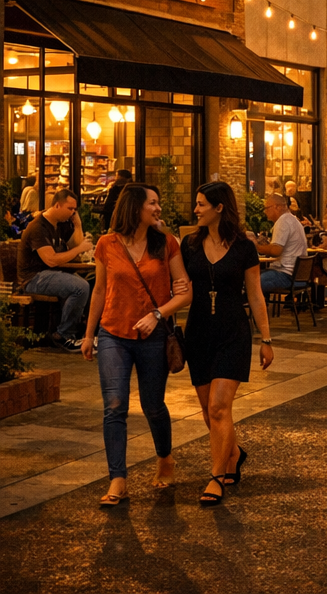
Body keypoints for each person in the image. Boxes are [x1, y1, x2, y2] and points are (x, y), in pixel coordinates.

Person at [81, 185, 191, 506]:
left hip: (154, 338)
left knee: (152, 405)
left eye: (158, 202)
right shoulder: (106, 244)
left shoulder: (166, 244)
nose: (158, 208)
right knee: (114, 406)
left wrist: (158, 314)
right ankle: (118, 478)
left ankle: (165, 458)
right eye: (152, 203)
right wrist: (90, 334)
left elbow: (184, 292)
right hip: (113, 334)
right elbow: (99, 291)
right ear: (135, 208)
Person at [181, 181, 274, 506]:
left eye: (201, 204)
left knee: (220, 407)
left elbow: (255, 294)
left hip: (233, 332)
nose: (196, 210)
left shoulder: (244, 247)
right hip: (198, 333)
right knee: (210, 413)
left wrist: (266, 338)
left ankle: (216, 477)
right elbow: (180, 288)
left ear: (219, 207)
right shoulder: (189, 244)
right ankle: (233, 454)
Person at [17, 189, 94, 351]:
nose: (72, 213)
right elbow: (50, 260)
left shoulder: (60, 225)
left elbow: (74, 245)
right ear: (57, 205)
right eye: (70, 209)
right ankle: (64, 335)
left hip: (52, 274)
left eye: (75, 210)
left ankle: (85, 332)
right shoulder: (38, 227)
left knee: (92, 282)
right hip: (33, 278)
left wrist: (77, 225)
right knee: (80, 287)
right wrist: (79, 249)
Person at [256, 193, 309, 295]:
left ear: (278, 207)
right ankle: (260, 308)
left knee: (252, 281)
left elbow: (276, 251)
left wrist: (256, 247)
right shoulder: (293, 220)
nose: (265, 212)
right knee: (253, 277)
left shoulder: (283, 221)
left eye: (267, 208)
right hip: (298, 275)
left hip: (286, 275)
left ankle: (251, 308)